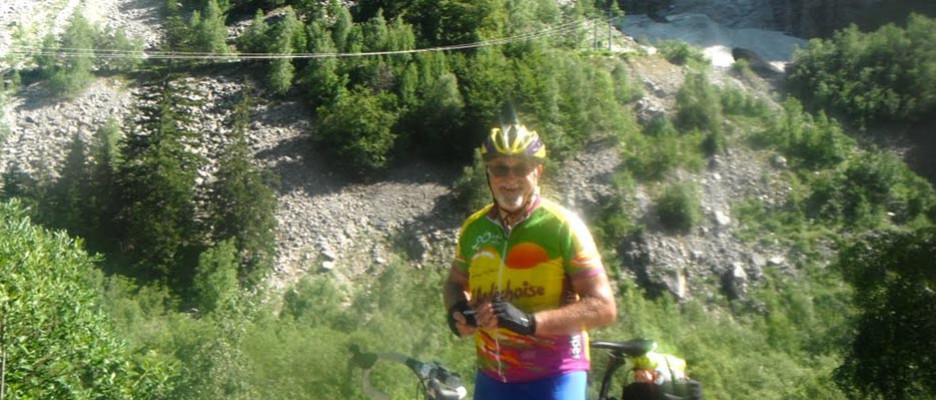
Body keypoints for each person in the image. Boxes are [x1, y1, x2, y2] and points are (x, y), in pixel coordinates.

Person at [443, 120, 618, 400]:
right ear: (488, 172)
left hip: (555, 372)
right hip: (492, 376)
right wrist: (458, 312)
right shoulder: (474, 228)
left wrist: (529, 322)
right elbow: (455, 283)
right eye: (500, 168)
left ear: (537, 171)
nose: (510, 179)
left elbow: (603, 307)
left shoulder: (563, 226)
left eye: (521, 168)